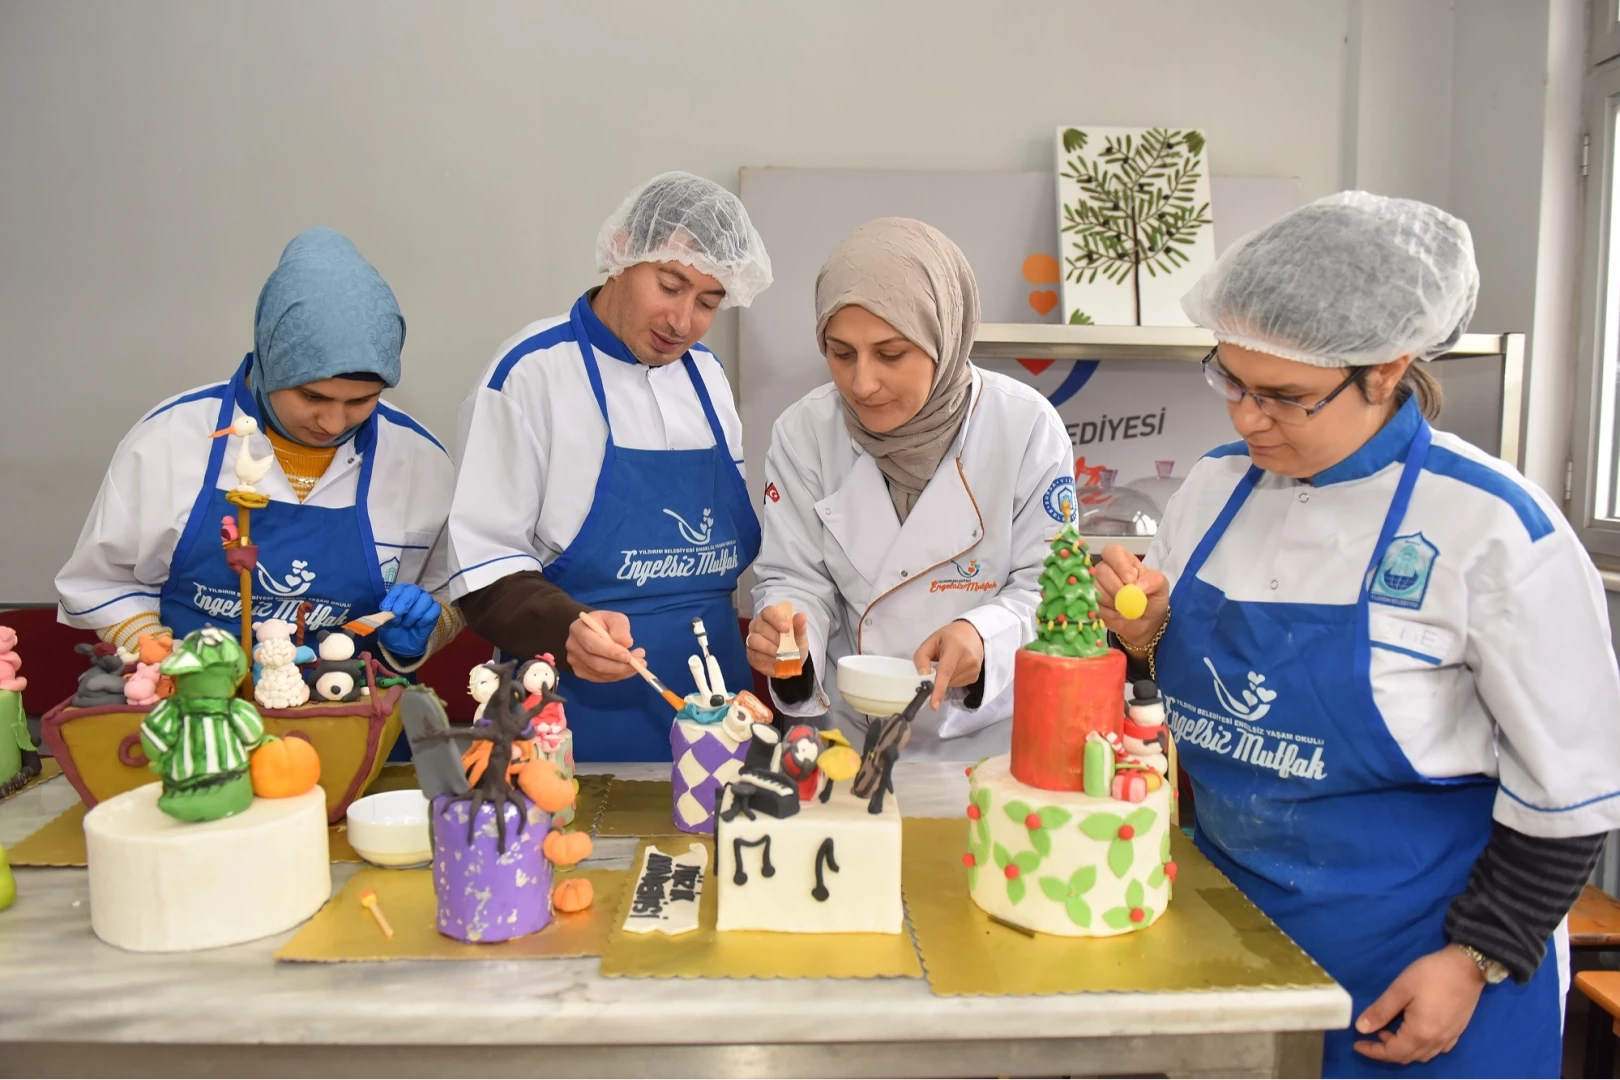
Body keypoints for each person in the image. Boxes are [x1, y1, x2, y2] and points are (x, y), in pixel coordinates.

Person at [1093, 192, 1620, 1077]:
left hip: (1419, 971)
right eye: (1231, 380)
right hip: (1226, 939)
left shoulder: (1493, 529)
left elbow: (1572, 793)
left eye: (1286, 397)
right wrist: (1139, 638)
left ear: (1386, 370)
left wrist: (1475, 958)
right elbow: (1171, 698)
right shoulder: (1214, 491)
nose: (1245, 418)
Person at [448, 172, 772, 762]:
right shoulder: (531, 373)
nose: (682, 322)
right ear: (622, 252)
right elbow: (485, 568)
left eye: (708, 302)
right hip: (573, 719)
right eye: (669, 285)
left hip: (718, 716)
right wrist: (567, 629)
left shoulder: (708, 378)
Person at [58, 228, 458, 673]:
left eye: (362, 401)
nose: (333, 423)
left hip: (350, 704)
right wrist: (161, 656)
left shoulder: (422, 461)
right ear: (268, 360)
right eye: (312, 396)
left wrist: (414, 637)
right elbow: (102, 582)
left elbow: (453, 593)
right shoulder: (169, 440)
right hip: (193, 701)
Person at [746, 218, 1074, 760]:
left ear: (945, 336)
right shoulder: (805, 433)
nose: (862, 383)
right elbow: (796, 578)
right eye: (841, 353)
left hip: (986, 745)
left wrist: (982, 634)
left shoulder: (1025, 428)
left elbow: (1049, 587)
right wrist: (789, 632)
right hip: (848, 742)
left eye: (891, 354)